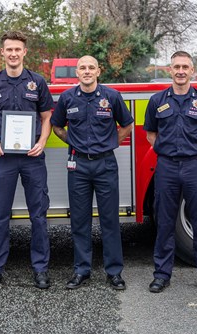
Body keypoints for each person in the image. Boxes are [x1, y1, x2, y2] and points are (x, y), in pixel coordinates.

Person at [0, 31, 54, 289]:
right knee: (0, 216)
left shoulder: (37, 82)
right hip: (4, 159)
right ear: (3, 52)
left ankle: (40, 269)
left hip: (32, 158)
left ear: (24, 52)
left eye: (18, 49)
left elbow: (47, 117)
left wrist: (42, 142)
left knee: (38, 215)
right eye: (9, 49)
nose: (13, 54)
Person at [51, 56, 133, 290]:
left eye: (91, 68)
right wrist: (73, 141)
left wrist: (110, 143)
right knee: (79, 220)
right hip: (77, 165)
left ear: (98, 71)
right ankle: (81, 270)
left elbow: (127, 124)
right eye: (82, 68)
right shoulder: (67, 98)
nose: (87, 71)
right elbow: (57, 126)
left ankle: (114, 272)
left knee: (110, 220)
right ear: (76, 73)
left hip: (105, 164)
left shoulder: (112, 97)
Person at [143, 51, 197, 296]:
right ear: (170, 69)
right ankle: (162, 275)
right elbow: (151, 134)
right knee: (164, 222)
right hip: (166, 167)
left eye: (185, 67)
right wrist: (167, 153)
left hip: (194, 166)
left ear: (192, 70)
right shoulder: (157, 100)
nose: (180, 71)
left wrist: (194, 152)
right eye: (176, 66)